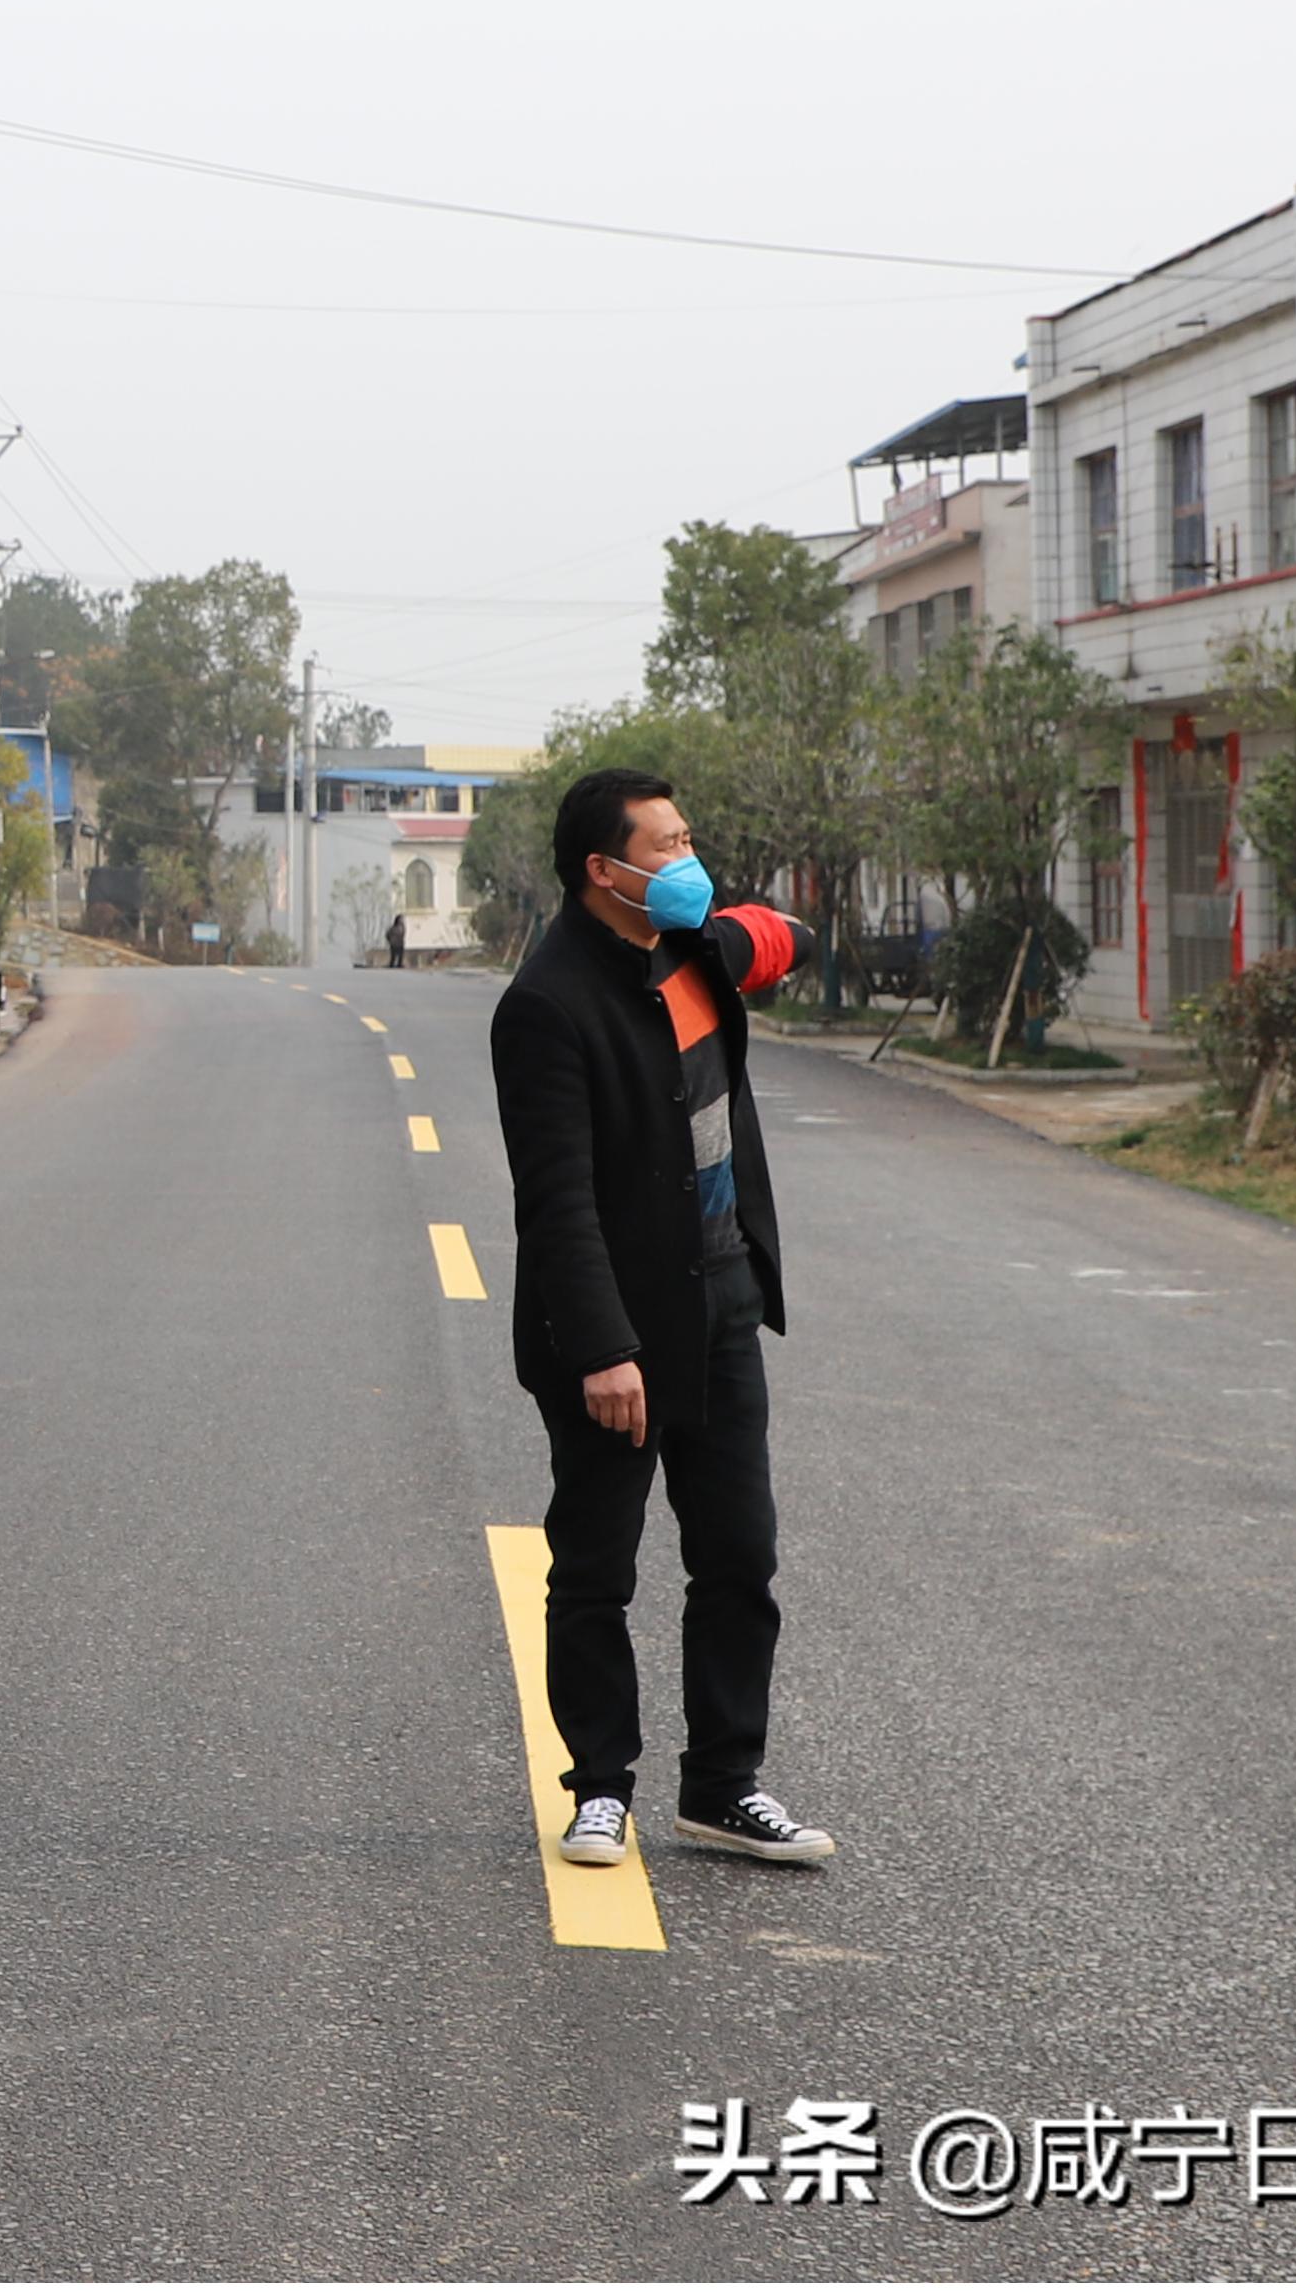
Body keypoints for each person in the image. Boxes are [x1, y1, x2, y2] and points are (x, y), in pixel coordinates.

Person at [487, 768, 831, 1874]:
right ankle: (598, 1790)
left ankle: (723, 1787)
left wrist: (763, 928)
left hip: (722, 1300)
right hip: (614, 1337)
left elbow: (791, 937)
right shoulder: (544, 1005)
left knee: (739, 1555)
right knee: (596, 1566)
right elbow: (555, 1200)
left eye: (689, 838)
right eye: (664, 845)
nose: (684, 860)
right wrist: (602, 1348)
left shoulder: (694, 953)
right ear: (603, 869)